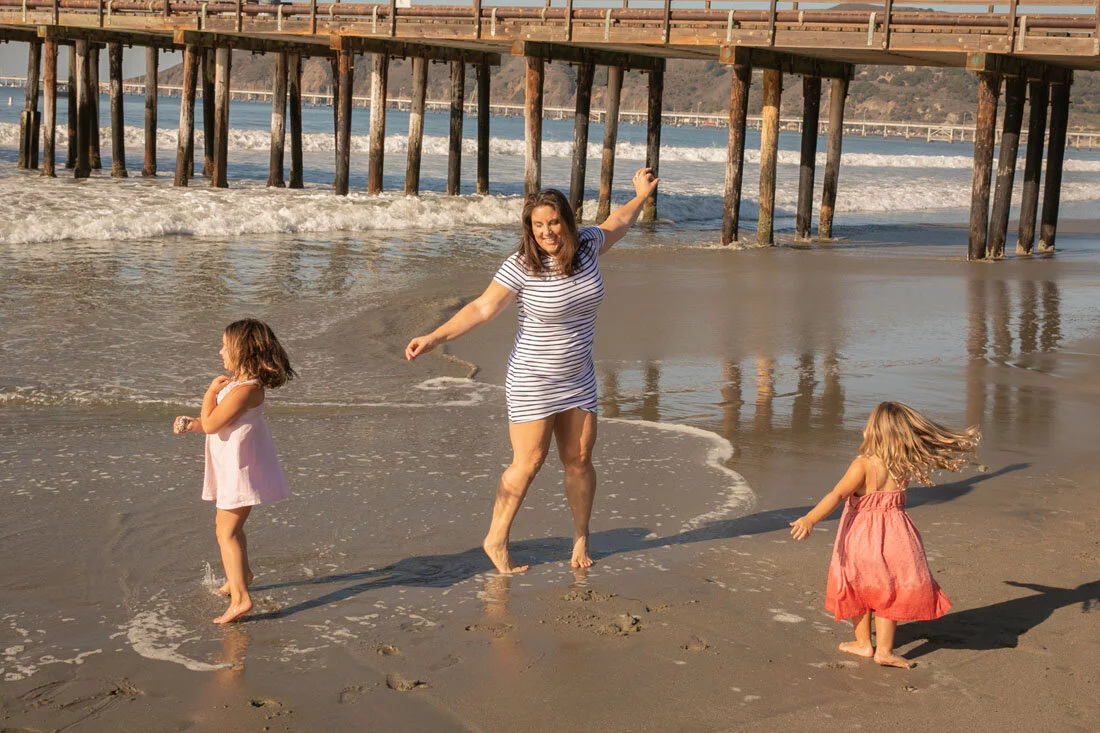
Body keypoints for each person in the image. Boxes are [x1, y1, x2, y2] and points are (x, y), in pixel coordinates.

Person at [405, 169, 660, 574]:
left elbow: (618, 222)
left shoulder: (589, 246)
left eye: (554, 222)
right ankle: (496, 539)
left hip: (578, 377)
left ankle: (581, 539)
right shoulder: (522, 266)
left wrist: (641, 195)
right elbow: (483, 308)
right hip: (533, 378)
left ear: (567, 221)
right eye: (538, 225)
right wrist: (435, 337)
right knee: (529, 461)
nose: (547, 232)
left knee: (579, 460)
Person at [789, 401, 980, 668]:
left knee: (858, 587)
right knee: (889, 590)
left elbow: (838, 494)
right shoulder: (903, 463)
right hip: (898, 537)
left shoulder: (864, 465)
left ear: (873, 430)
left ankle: (864, 644)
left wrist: (810, 519)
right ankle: (885, 652)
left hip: (862, 537)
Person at [174, 319, 296, 624]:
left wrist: (208, 392)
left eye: (225, 347)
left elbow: (213, 422)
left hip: (241, 470)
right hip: (232, 466)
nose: (220, 352)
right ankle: (240, 577)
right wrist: (193, 424)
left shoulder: (247, 389)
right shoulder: (238, 386)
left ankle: (241, 600)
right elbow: (216, 424)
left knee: (225, 531)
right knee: (230, 528)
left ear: (244, 352)